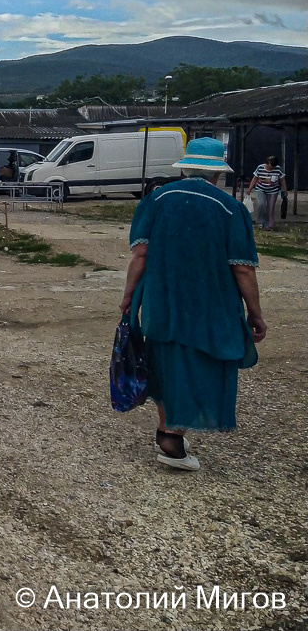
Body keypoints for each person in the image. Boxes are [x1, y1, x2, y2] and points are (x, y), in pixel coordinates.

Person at [119, 137, 266, 471]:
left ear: (185, 167)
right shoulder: (230, 209)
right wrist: (256, 314)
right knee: (201, 363)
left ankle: (167, 430)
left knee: (164, 359)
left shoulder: (157, 199)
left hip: (161, 298)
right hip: (209, 305)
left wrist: (128, 295)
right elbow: (242, 268)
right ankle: (173, 435)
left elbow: (140, 253)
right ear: (217, 174)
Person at [246, 156, 287, 232]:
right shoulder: (260, 168)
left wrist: (285, 190)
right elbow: (255, 178)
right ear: (267, 164)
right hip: (261, 189)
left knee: (270, 208)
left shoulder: (278, 169)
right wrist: (250, 188)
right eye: (270, 166)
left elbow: (282, 180)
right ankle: (260, 222)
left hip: (273, 190)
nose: (272, 168)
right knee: (261, 204)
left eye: (273, 166)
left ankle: (269, 224)